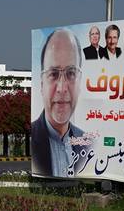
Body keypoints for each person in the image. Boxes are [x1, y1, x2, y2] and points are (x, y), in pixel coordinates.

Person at [32, 29, 91, 177]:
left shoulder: (88, 143)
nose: (62, 88)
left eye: (71, 73)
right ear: (41, 84)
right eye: (53, 74)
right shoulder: (32, 139)